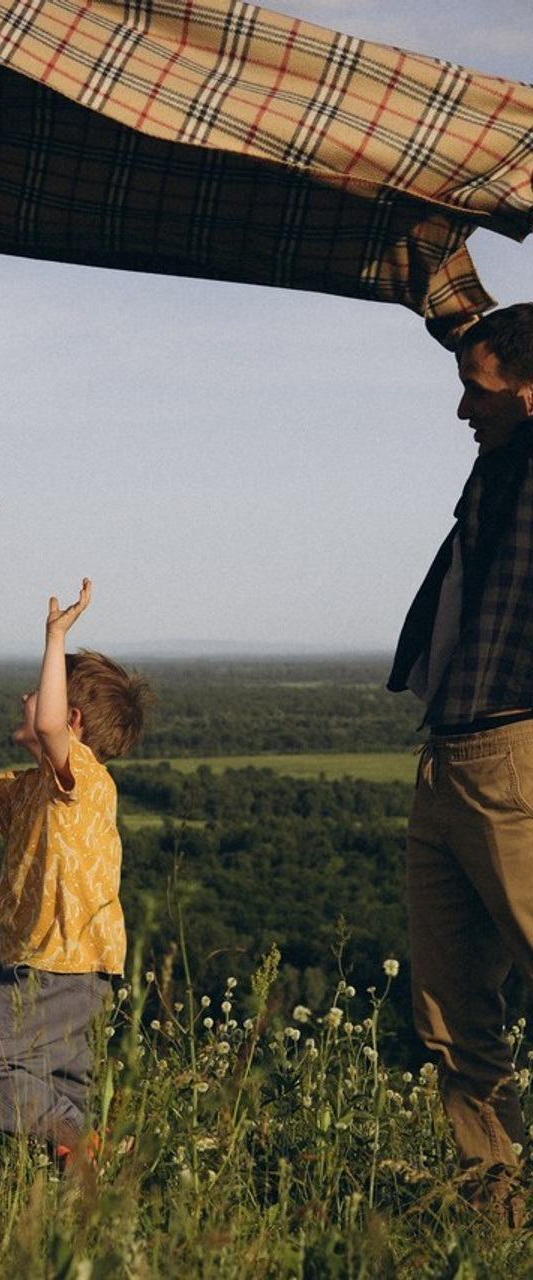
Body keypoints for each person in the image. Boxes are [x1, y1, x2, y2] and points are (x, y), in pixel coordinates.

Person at [387, 302, 533, 1218]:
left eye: (476, 390)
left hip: (512, 754)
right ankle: (497, 1206)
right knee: (448, 1010)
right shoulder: (497, 469)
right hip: (447, 756)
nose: (461, 409)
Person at [0, 580, 151, 1159]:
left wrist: (55, 637)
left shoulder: (84, 778)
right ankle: (84, 1177)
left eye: (37, 692)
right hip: (65, 970)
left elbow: (51, 727)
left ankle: (90, 1145)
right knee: (59, 1095)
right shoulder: (31, 787)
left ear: (71, 720)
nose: (25, 698)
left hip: (59, 968)